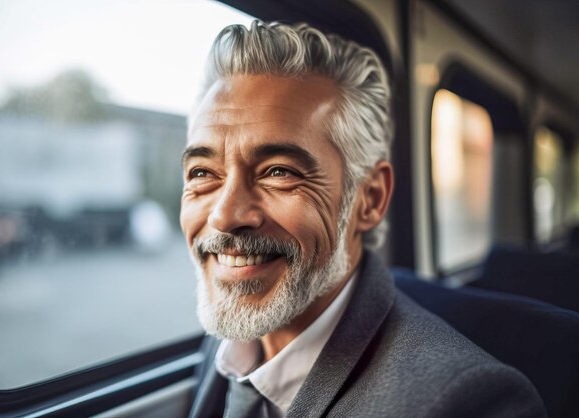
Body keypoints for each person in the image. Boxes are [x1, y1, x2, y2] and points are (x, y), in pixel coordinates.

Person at [180, 20, 546, 418]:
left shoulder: (469, 402)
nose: (224, 216)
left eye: (278, 171)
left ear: (369, 199)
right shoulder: (232, 329)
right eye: (202, 173)